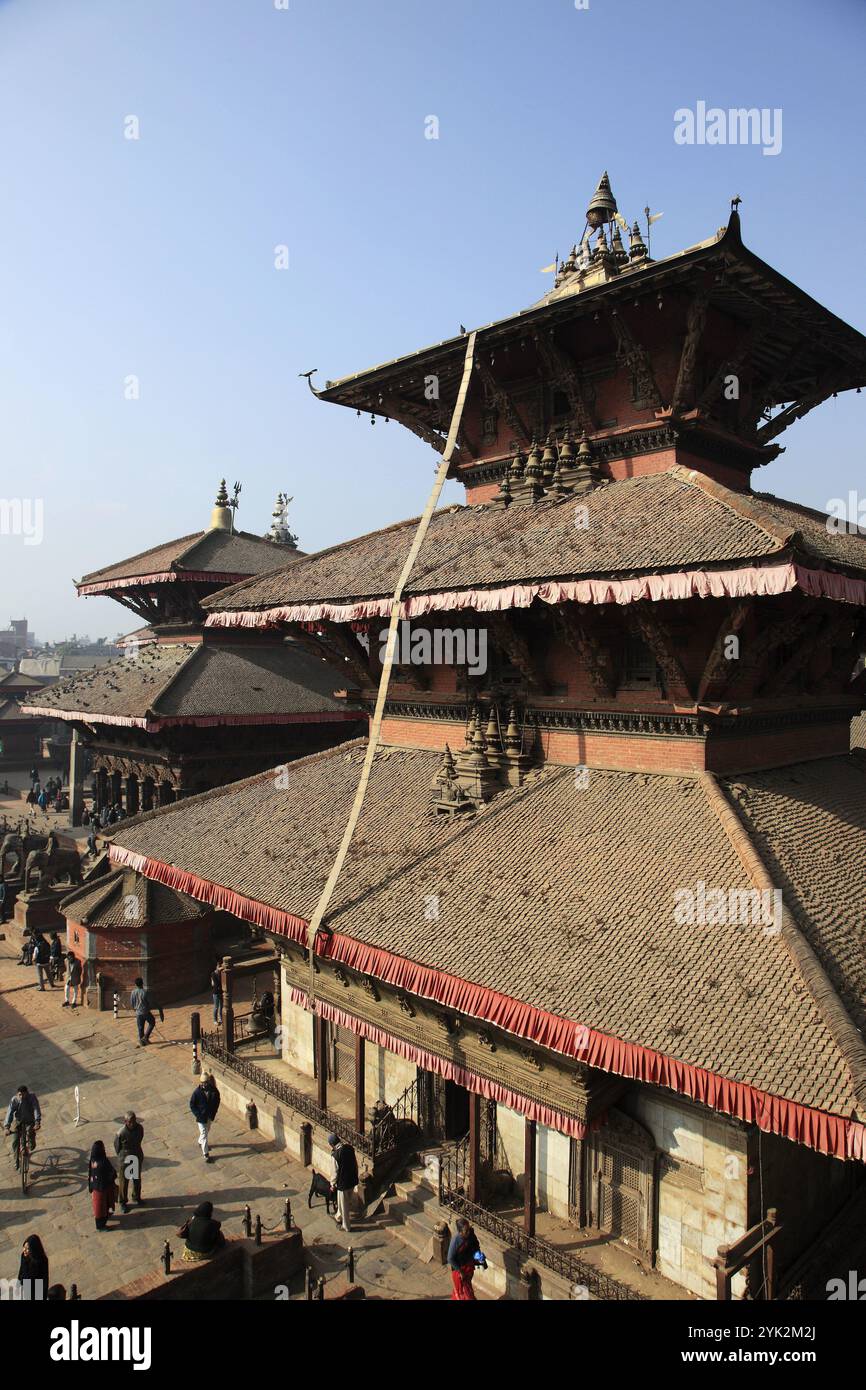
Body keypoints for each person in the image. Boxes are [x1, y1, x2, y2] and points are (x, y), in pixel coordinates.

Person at [327, 1133, 359, 1234]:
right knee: (346, 1201)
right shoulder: (349, 1148)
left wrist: (332, 1184)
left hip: (343, 1184)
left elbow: (334, 1172)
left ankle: (346, 1226)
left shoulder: (335, 1155)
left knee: (344, 1205)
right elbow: (355, 1164)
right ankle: (338, 1216)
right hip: (352, 1180)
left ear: (332, 1144)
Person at [4, 1086, 41, 1170]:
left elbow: (36, 1109)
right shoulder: (14, 1100)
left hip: (30, 1121)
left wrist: (37, 1122)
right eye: (20, 1095)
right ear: (17, 1094)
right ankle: (16, 1160)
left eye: (23, 1095)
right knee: (15, 1141)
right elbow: (9, 1112)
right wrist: (7, 1127)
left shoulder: (32, 1097)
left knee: (30, 1132)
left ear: (27, 1093)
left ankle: (32, 1142)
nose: (21, 1097)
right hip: (18, 1121)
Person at [114, 1111, 144, 1211]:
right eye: (130, 1122)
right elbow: (117, 1147)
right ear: (125, 1122)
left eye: (134, 1121)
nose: (133, 1123)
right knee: (124, 1182)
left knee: (136, 1179)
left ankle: (136, 1196)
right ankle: (122, 1201)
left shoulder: (139, 1128)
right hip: (125, 1158)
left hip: (136, 1155)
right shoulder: (121, 1133)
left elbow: (140, 1139)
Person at [447, 1216, 481, 1300]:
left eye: (469, 1229)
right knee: (464, 1294)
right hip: (460, 1272)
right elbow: (450, 1258)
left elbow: (476, 1246)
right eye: (466, 1231)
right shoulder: (456, 1241)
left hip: (469, 1268)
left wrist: (479, 1257)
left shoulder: (471, 1235)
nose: (468, 1232)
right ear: (460, 1232)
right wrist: (460, 1271)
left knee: (468, 1289)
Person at [189, 1074, 220, 1163]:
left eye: (205, 1083)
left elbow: (217, 1101)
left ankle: (200, 1141)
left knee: (207, 1130)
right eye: (202, 1083)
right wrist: (197, 1114)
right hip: (201, 1117)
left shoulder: (214, 1091)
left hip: (209, 1116)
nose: (204, 1085)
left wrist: (214, 1111)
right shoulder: (197, 1092)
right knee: (204, 1134)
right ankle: (206, 1154)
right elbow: (192, 1104)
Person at [87, 1140, 117, 1230]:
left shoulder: (92, 1160)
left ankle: (105, 1217)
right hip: (104, 1188)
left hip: (95, 1188)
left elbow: (90, 1173)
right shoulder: (103, 1162)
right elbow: (112, 1173)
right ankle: (101, 1226)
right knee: (102, 1207)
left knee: (100, 1207)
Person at [17, 1234, 49, 1300]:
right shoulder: (24, 1256)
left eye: (27, 1249)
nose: (24, 1250)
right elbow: (21, 1269)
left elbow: (44, 1279)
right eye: (24, 1247)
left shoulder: (41, 1261)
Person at [129, 976, 156, 1045]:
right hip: (146, 1011)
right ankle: (146, 1037)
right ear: (142, 984)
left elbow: (132, 1003)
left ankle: (142, 1041)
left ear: (135, 984)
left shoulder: (133, 992)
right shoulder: (145, 992)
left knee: (140, 1027)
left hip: (138, 1012)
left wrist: (135, 1009)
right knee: (152, 1022)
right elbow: (149, 1002)